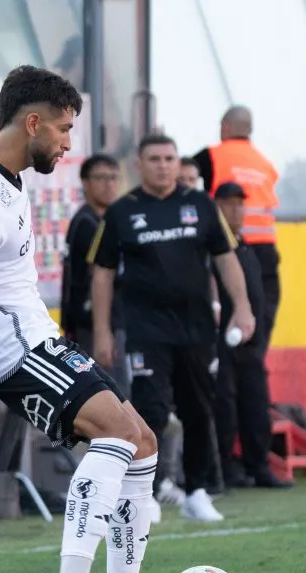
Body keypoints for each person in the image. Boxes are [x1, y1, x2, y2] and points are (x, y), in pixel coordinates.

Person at [0, 65, 170, 573]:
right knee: (116, 435)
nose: (68, 144)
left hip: (35, 333)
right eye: (63, 130)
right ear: (31, 122)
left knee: (142, 443)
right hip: (12, 349)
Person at [89, 134, 256, 523]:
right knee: (150, 410)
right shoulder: (121, 213)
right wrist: (102, 331)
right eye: (154, 159)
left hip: (197, 330)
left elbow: (226, 259)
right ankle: (145, 493)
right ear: (139, 164)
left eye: (169, 158)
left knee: (199, 410)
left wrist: (242, 308)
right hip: (147, 330)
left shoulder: (200, 205)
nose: (163, 165)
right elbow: (102, 274)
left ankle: (196, 491)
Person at [211, 182, 291, 489]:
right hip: (222, 338)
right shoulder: (214, 245)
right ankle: (227, 469)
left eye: (240, 204)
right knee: (225, 403)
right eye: (228, 204)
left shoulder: (244, 244)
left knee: (256, 403)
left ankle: (260, 466)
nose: (236, 210)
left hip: (250, 340)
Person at [193, 106, 281, 354]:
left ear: (226, 128)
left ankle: (227, 375)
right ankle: (254, 366)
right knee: (259, 322)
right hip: (265, 250)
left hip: (228, 248)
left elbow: (184, 187)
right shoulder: (265, 163)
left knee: (227, 318)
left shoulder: (212, 156)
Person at [61, 154, 128, 394]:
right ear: (85, 182)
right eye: (101, 177)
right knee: (110, 394)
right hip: (95, 324)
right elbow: (97, 276)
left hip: (102, 321)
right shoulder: (88, 223)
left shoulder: (105, 220)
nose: (109, 184)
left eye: (113, 177)